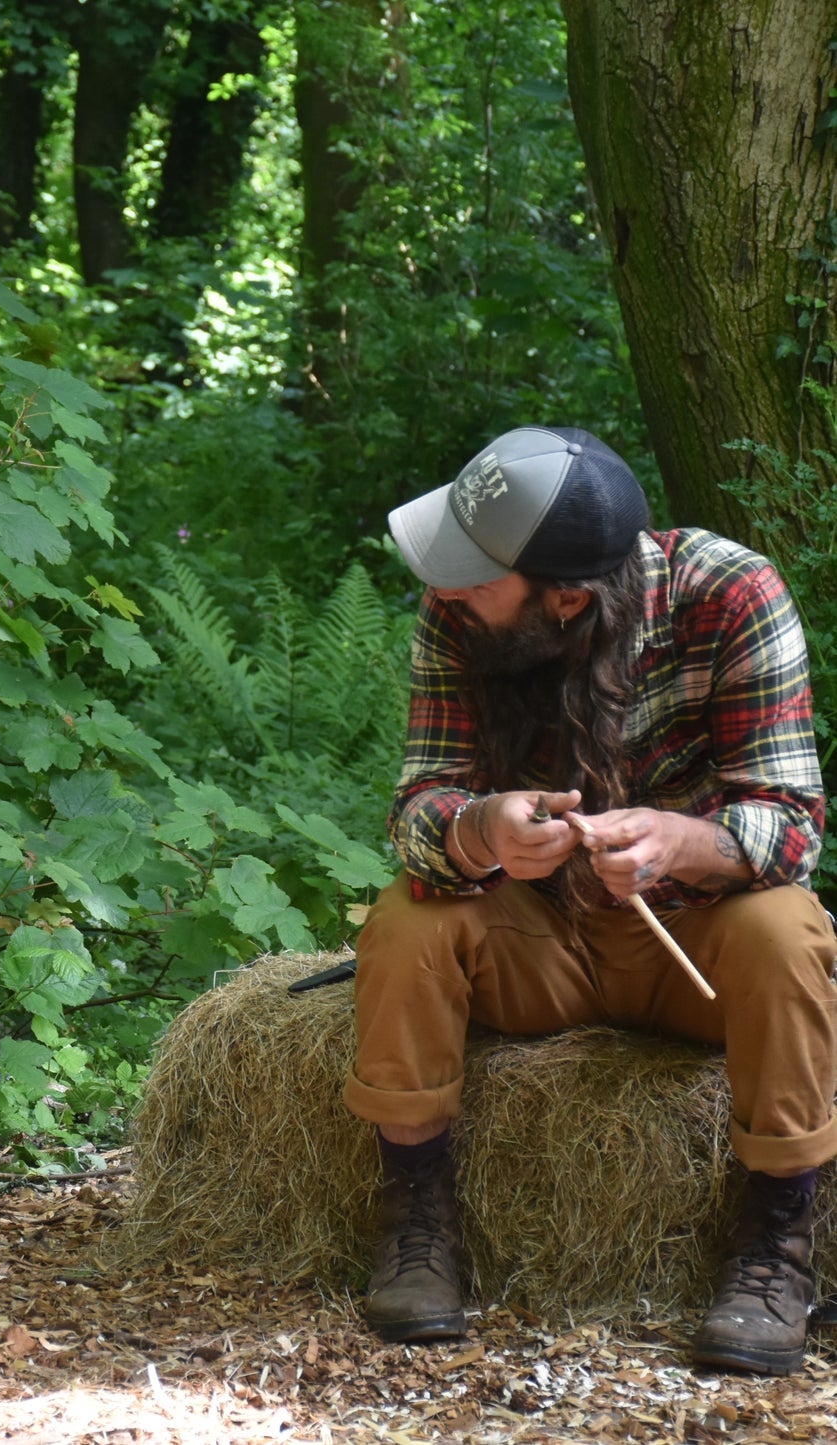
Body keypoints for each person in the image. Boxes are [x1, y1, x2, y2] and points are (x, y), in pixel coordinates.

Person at [347, 424, 837, 1376]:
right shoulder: (458, 615)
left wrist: (682, 841)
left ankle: (778, 1241)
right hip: (541, 948)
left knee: (788, 928)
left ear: (564, 596)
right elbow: (419, 808)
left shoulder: (731, 593)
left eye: (473, 576)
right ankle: (415, 1220)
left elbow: (792, 823)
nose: (444, 591)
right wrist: (480, 828)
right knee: (407, 915)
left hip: (694, 953)